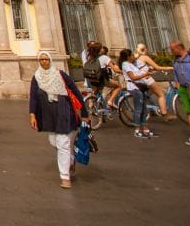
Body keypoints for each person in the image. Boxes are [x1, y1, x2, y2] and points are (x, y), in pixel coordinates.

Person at [28, 51, 88, 189]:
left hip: (63, 110)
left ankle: (64, 177)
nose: (44, 61)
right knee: (54, 142)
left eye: (46, 59)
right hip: (48, 114)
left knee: (62, 142)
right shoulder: (37, 77)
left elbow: (76, 91)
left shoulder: (60, 74)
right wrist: (32, 114)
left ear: (50, 60)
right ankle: (71, 159)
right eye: (41, 59)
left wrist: (84, 112)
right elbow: (33, 97)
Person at [170, 41, 190, 146]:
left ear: (179, 48)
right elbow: (175, 72)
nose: (171, 51)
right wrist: (177, 83)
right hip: (183, 88)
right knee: (189, 111)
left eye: (172, 49)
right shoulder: (176, 60)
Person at [121, 48, 157, 138]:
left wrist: (147, 73)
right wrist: (145, 75)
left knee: (144, 109)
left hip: (140, 87)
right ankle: (137, 129)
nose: (134, 56)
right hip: (134, 87)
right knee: (138, 109)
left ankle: (145, 128)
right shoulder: (126, 65)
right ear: (128, 57)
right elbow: (133, 77)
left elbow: (138, 74)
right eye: (132, 55)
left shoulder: (131, 64)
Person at [135, 43, 174, 121]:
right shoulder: (145, 57)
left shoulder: (136, 59)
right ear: (143, 49)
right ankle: (164, 114)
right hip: (147, 79)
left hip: (139, 80)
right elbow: (158, 67)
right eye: (146, 48)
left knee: (148, 94)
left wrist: (150, 69)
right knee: (161, 95)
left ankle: (151, 110)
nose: (147, 49)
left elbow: (142, 68)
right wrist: (170, 68)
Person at [82, 42, 121, 107]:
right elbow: (115, 69)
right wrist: (122, 71)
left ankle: (96, 107)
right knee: (118, 86)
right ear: (100, 49)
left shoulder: (90, 58)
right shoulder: (104, 57)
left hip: (92, 80)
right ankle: (110, 101)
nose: (103, 49)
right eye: (101, 47)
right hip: (102, 80)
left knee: (97, 95)